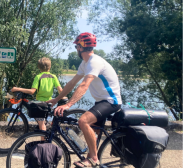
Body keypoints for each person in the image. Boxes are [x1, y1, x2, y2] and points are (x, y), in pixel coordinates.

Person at [47, 32, 122, 168]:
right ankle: (92, 159)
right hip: (101, 102)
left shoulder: (94, 62)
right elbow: (72, 83)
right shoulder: (85, 63)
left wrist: (68, 104)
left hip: (111, 102)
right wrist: (56, 99)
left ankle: (93, 158)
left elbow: (84, 85)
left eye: (77, 46)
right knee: (93, 132)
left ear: (80, 47)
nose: (76, 49)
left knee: (83, 121)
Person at [11, 57, 63, 132]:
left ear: (38, 67)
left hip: (40, 104)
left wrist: (17, 89)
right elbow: (60, 90)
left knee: (41, 125)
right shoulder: (53, 77)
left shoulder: (38, 77)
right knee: (43, 123)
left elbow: (32, 91)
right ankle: (46, 136)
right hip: (50, 103)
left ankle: (43, 142)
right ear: (50, 66)